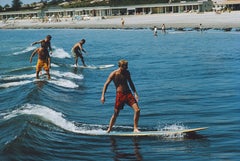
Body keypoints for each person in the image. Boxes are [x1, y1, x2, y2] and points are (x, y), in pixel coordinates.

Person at [101, 60, 140, 133]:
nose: (126, 68)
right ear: (120, 66)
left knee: (137, 110)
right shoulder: (114, 74)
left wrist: (135, 93)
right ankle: (109, 129)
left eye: (127, 66)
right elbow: (106, 84)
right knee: (116, 114)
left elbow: (131, 83)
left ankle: (135, 128)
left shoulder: (127, 73)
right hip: (120, 95)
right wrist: (103, 96)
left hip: (128, 94)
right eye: (124, 67)